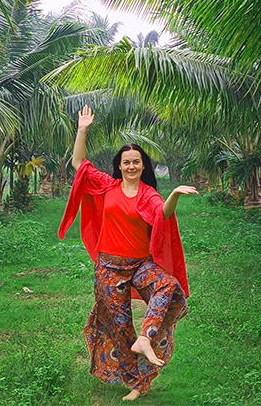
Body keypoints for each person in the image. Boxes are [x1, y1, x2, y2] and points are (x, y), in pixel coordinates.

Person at [58, 105, 197, 401]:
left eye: (136, 162)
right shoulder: (107, 186)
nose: (131, 166)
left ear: (143, 166)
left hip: (139, 265)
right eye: (126, 162)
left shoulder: (149, 194)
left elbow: (162, 214)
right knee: (120, 329)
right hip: (109, 268)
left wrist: (174, 194)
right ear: (119, 166)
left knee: (167, 286)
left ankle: (146, 337)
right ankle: (137, 383)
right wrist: (82, 129)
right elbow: (79, 163)